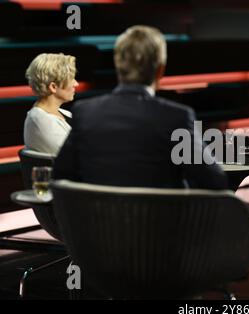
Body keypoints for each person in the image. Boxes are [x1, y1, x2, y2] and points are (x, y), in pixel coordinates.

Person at [54, 25, 227, 190]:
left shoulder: (85, 113)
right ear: (160, 70)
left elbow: (60, 177)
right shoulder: (178, 118)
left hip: (96, 220)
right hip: (164, 220)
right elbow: (214, 181)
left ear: (118, 66)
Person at [24, 53, 79, 155]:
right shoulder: (39, 120)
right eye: (71, 78)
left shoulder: (63, 113)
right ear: (53, 87)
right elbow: (74, 157)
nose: (76, 84)